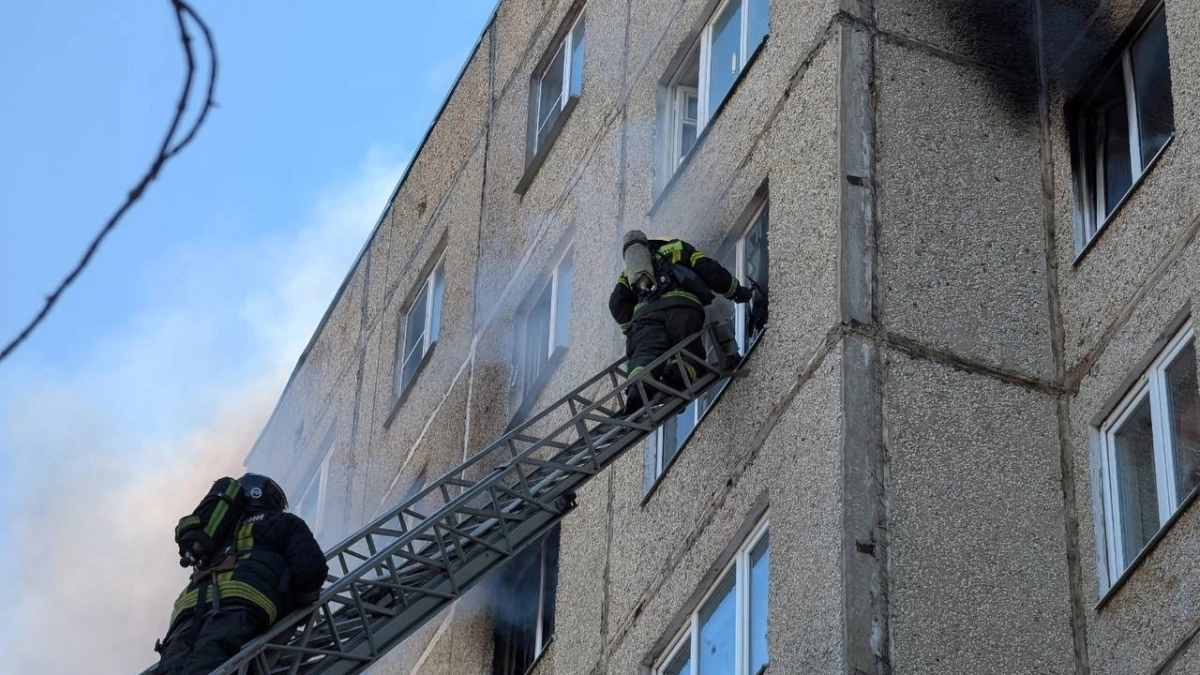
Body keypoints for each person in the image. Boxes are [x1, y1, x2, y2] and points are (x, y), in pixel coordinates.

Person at [154, 473, 328, 675]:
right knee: (208, 665)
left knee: (171, 669)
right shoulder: (281, 522)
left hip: (186, 612)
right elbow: (311, 568)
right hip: (241, 604)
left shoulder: (215, 535)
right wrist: (297, 605)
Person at [608, 230, 754, 415]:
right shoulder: (677, 247)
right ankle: (676, 378)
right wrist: (735, 291)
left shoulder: (629, 273)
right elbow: (708, 269)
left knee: (645, 354)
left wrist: (631, 328)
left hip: (646, 316)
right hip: (683, 308)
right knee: (688, 349)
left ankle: (638, 390)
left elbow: (617, 303)